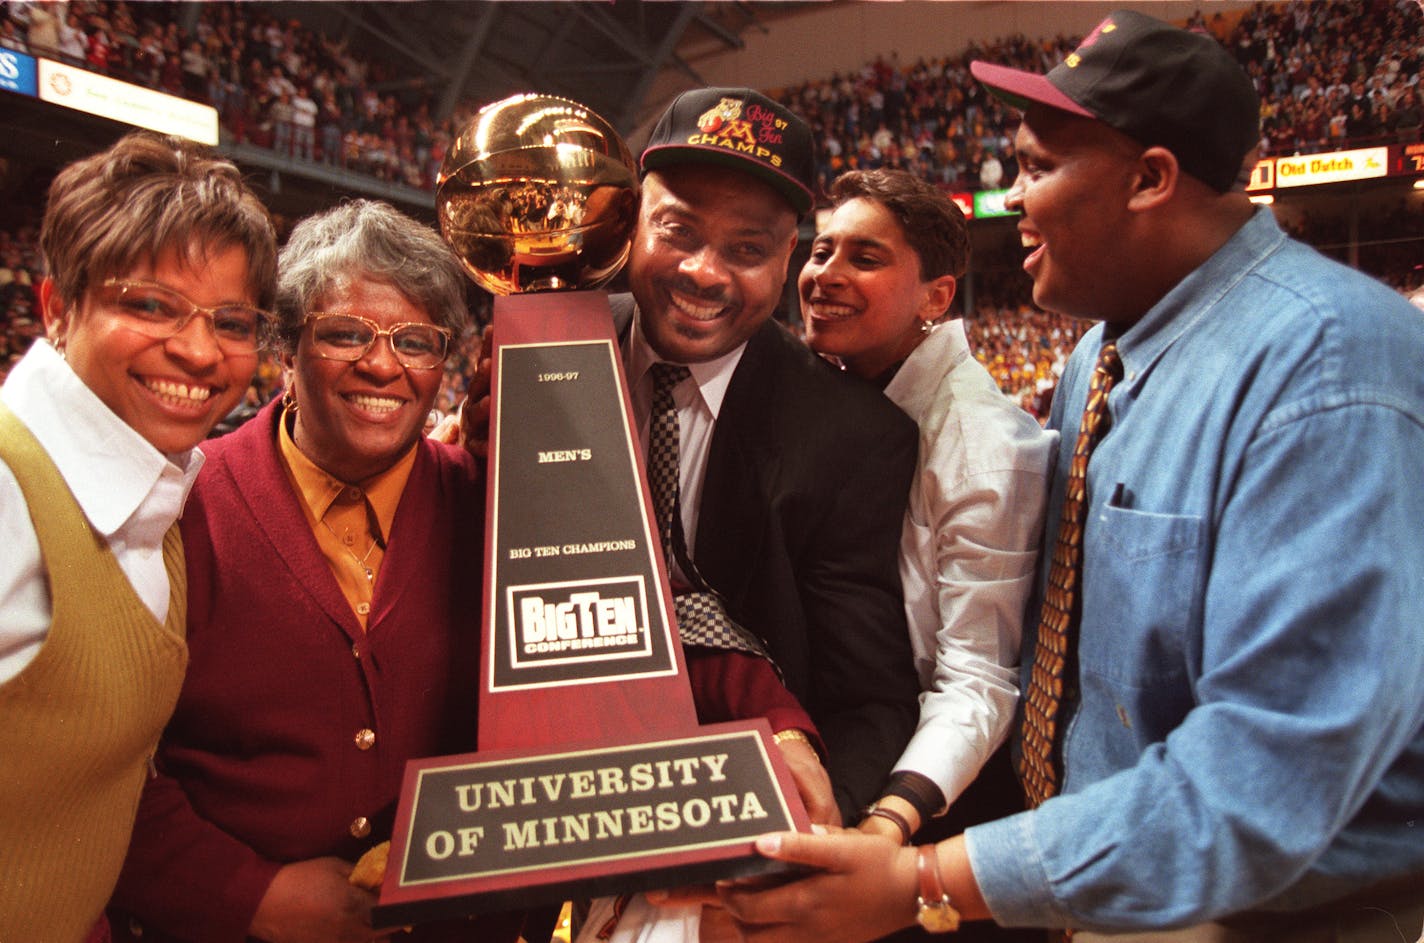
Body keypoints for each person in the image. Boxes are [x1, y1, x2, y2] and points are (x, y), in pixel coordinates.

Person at [720, 11, 1424, 942]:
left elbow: (1274, 768)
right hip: (1095, 872)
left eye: (1038, 169)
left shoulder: (1330, 365)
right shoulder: (1101, 350)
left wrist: (920, 875)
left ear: (1150, 178)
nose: (1014, 201)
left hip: (1274, 909)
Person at [108, 200, 521, 943]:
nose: (383, 364)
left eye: (416, 341)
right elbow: (102, 769)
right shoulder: (177, 507)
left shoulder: (490, 507)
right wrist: (249, 896)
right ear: (285, 350)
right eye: (346, 334)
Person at [576, 86, 922, 941]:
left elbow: (869, 698)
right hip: (555, 797)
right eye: (679, 230)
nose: (704, 272)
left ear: (788, 258)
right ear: (631, 222)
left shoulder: (851, 436)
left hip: (719, 862)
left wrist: (790, 853)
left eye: (748, 248)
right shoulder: (545, 344)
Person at [0, 130, 277, 942]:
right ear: (57, 306)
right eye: (148, 305)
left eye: (231, 321)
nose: (197, 350)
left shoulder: (161, 481)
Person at [799, 169, 1053, 943]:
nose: (824, 276)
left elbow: (977, 678)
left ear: (936, 298)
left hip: (943, 794)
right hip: (838, 750)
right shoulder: (827, 391)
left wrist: (888, 823)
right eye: (821, 250)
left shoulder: (984, 448)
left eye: (865, 258)